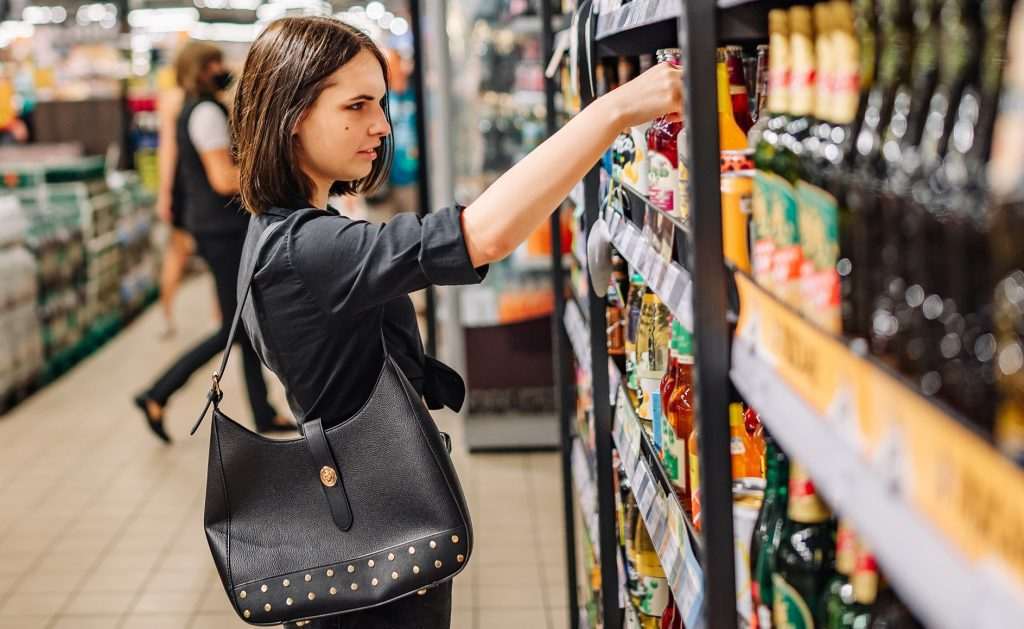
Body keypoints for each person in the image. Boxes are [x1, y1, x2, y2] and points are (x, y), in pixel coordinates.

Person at [231, 16, 680, 629]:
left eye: (380, 103)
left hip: (362, 524)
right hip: (373, 549)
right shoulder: (306, 250)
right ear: (291, 114)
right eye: (357, 106)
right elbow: (480, 235)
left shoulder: (274, 231)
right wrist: (612, 112)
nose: (381, 125)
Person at [134, 41, 290, 442]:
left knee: (244, 322)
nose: (221, 68)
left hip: (217, 229)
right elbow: (222, 178)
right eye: (213, 63)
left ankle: (264, 412)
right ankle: (157, 392)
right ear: (197, 70)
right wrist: (274, 174)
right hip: (223, 232)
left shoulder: (199, 109)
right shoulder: (205, 113)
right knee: (234, 327)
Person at [154, 84, 193, 339]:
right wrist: (165, 192)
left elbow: (167, 148)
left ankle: (166, 317)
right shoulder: (176, 99)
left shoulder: (172, 98)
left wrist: (165, 192)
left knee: (178, 251)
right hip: (193, 185)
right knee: (179, 251)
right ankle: (222, 321)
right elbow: (167, 148)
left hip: (185, 184)